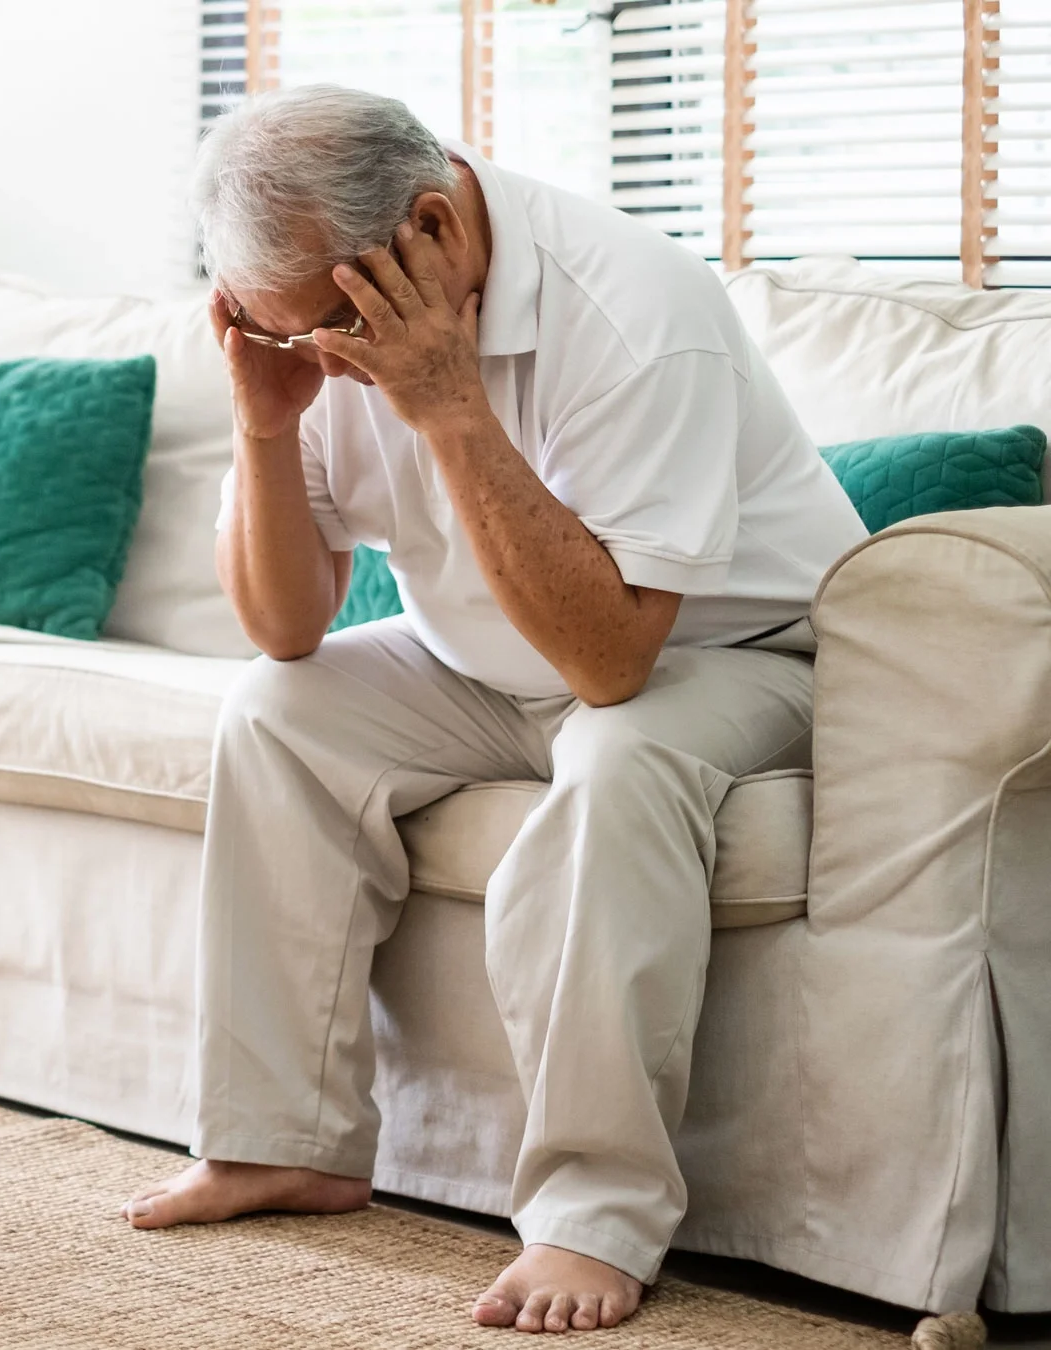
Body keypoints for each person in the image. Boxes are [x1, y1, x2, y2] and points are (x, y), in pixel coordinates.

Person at [120, 86, 867, 1334]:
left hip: (735, 653)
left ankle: (595, 1220)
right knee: (277, 711)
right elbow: (286, 629)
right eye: (276, 328)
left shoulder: (637, 309)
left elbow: (614, 662)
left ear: (427, 229)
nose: (312, 357)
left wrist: (448, 407)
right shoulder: (305, 331)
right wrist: (262, 424)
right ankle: (283, 1141)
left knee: (618, 760)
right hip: (490, 660)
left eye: (320, 332)